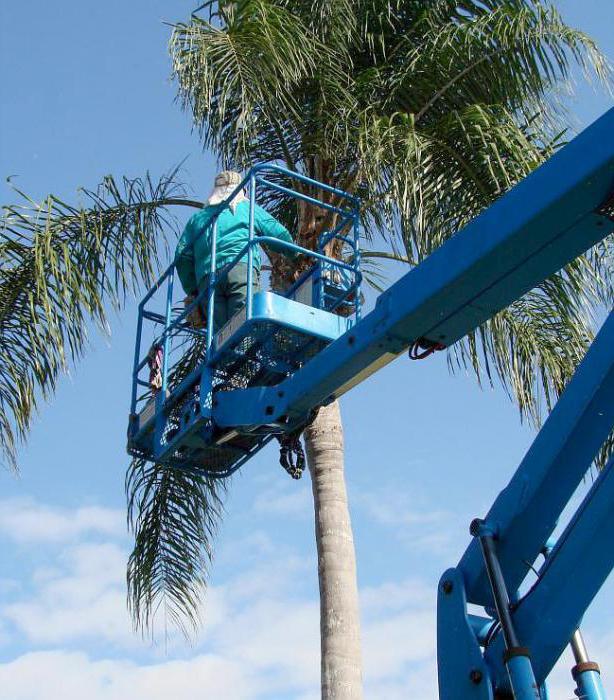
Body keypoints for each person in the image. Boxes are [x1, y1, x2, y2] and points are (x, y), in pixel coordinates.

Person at [175, 170, 296, 331]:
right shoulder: (246, 207)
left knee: (220, 332)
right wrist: (295, 253)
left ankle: (227, 354)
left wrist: (192, 289)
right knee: (244, 319)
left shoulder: (198, 219)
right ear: (241, 191)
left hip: (207, 280)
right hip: (240, 269)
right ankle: (245, 349)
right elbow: (278, 233)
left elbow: (182, 256)